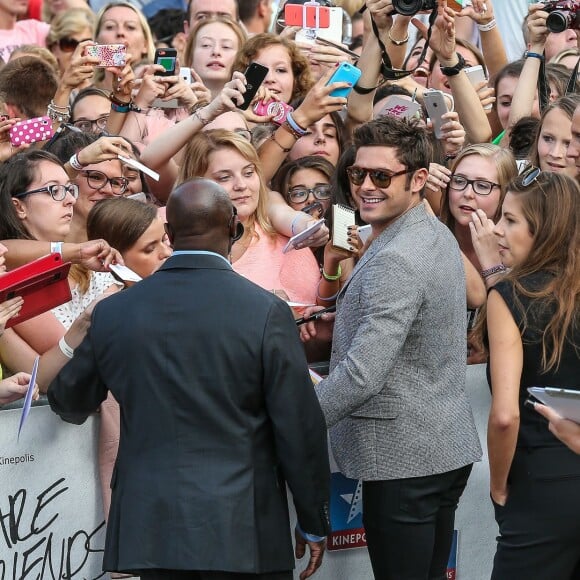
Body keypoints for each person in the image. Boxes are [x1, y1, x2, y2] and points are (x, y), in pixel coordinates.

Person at [47, 177, 331, 580]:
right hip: (243, 533)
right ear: (233, 228)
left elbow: (68, 402)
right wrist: (313, 518)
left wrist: (77, 337)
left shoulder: (115, 314)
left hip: (152, 534)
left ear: (169, 233)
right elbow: (299, 428)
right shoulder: (266, 313)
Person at [301, 115, 481, 580]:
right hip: (442, 448)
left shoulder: (397, 257)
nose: (365, 187)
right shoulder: (430, 229)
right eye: (356, 174)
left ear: (419, 179)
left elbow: (363, 374)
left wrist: (293, 421)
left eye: (382, 176)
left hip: (405, 459)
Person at [484, 169, 580, 579]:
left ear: (544, 231)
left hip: (541, 485)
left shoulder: (508, 296)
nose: (496, 230)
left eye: (511, 220)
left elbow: (506, 415)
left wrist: (499, 488)